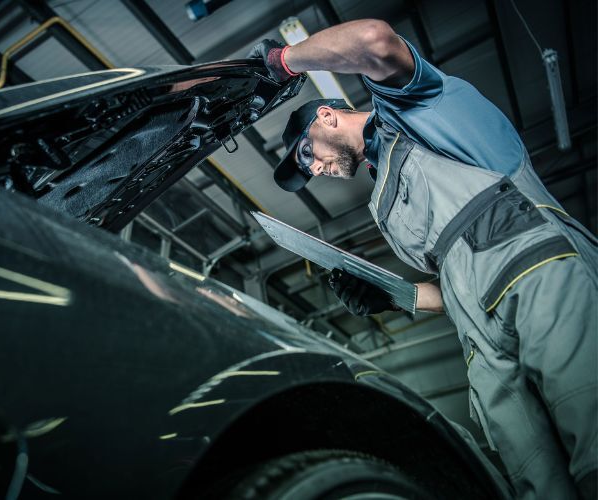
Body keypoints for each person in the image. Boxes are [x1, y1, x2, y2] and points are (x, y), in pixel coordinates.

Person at [248, 19, 597, 500]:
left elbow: (373, 40)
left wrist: (284, 62)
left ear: (328, 115)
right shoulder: (385, 197)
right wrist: (396, 297)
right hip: (483, 340)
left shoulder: (415, 106)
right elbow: (462, 287)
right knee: (540, 485)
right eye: (306, 170)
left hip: (540, 279)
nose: (314, 168)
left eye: (306, 151)